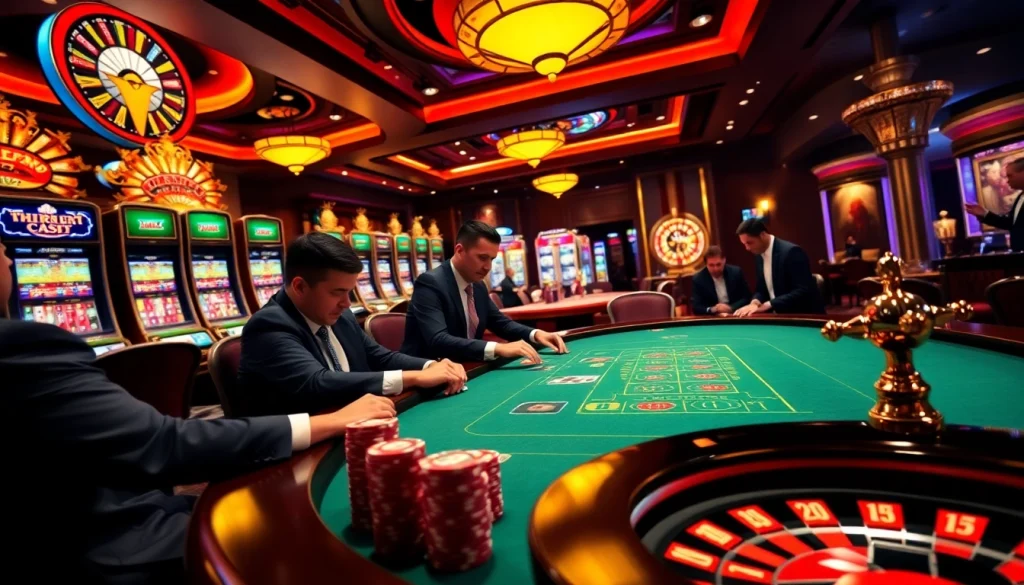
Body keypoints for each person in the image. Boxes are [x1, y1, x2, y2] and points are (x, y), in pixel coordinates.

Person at [0, 237, 397, 584]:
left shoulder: (340, 318)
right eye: (2, 250)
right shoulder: (22, 347)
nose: (9, 259)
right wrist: (324, 423)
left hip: (107, 494)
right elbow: (162, 443)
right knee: (291, 530)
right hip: (85, 541)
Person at [240, 233, 467, 416]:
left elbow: (380, 357)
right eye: (337, 292)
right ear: (299, 287)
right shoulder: (269, 326)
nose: (347, 303)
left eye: (349, 292)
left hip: (353, 422)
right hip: (299, 457)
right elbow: (318, 382)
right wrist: (414, 377)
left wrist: (430, 366)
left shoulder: (340, 315)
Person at [402, 221, 568, 363]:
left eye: (492, 259)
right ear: (459, 250)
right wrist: (498, 348)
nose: (488, 267)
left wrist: (536, 334)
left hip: (466, 367)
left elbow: (501, 323)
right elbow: (438, 340)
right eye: (482, 258)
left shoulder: (478, 286)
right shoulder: (431, 283)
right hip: (425, 380)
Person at [733, 218, 825, 315]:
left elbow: (803, 290)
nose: (747, 248)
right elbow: (761, 288)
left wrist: (769, 304)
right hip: (780, 315)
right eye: (744, 244)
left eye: (749, 243)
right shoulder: (759, 254)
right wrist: (755, 302)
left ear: (762, 235)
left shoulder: (792, 252)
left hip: (804, 315)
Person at [966, 157, 1024, 252]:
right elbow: (1010, 223)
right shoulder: (1020, 197)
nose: (1007, 180)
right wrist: (984, 214)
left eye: (1010, 176)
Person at [690, 245, 751, 316]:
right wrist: (713, 309)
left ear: (724, 260)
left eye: (718, 264)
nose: (715, 269)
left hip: (736, 314)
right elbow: (696, 307)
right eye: (711, 265)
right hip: (713, 318)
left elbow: (747, 297)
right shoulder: (698, 279)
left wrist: (731, 308)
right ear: (706, 264)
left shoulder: (736, 272)